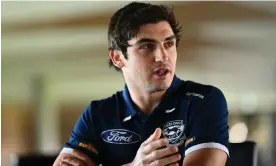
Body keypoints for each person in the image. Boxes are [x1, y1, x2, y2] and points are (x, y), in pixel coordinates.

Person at [53, 2, 229, 166]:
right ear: (118, 58)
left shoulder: (203, 100)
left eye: (169, 44)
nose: (162, 56)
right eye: (147, 46)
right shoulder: (97, 114)